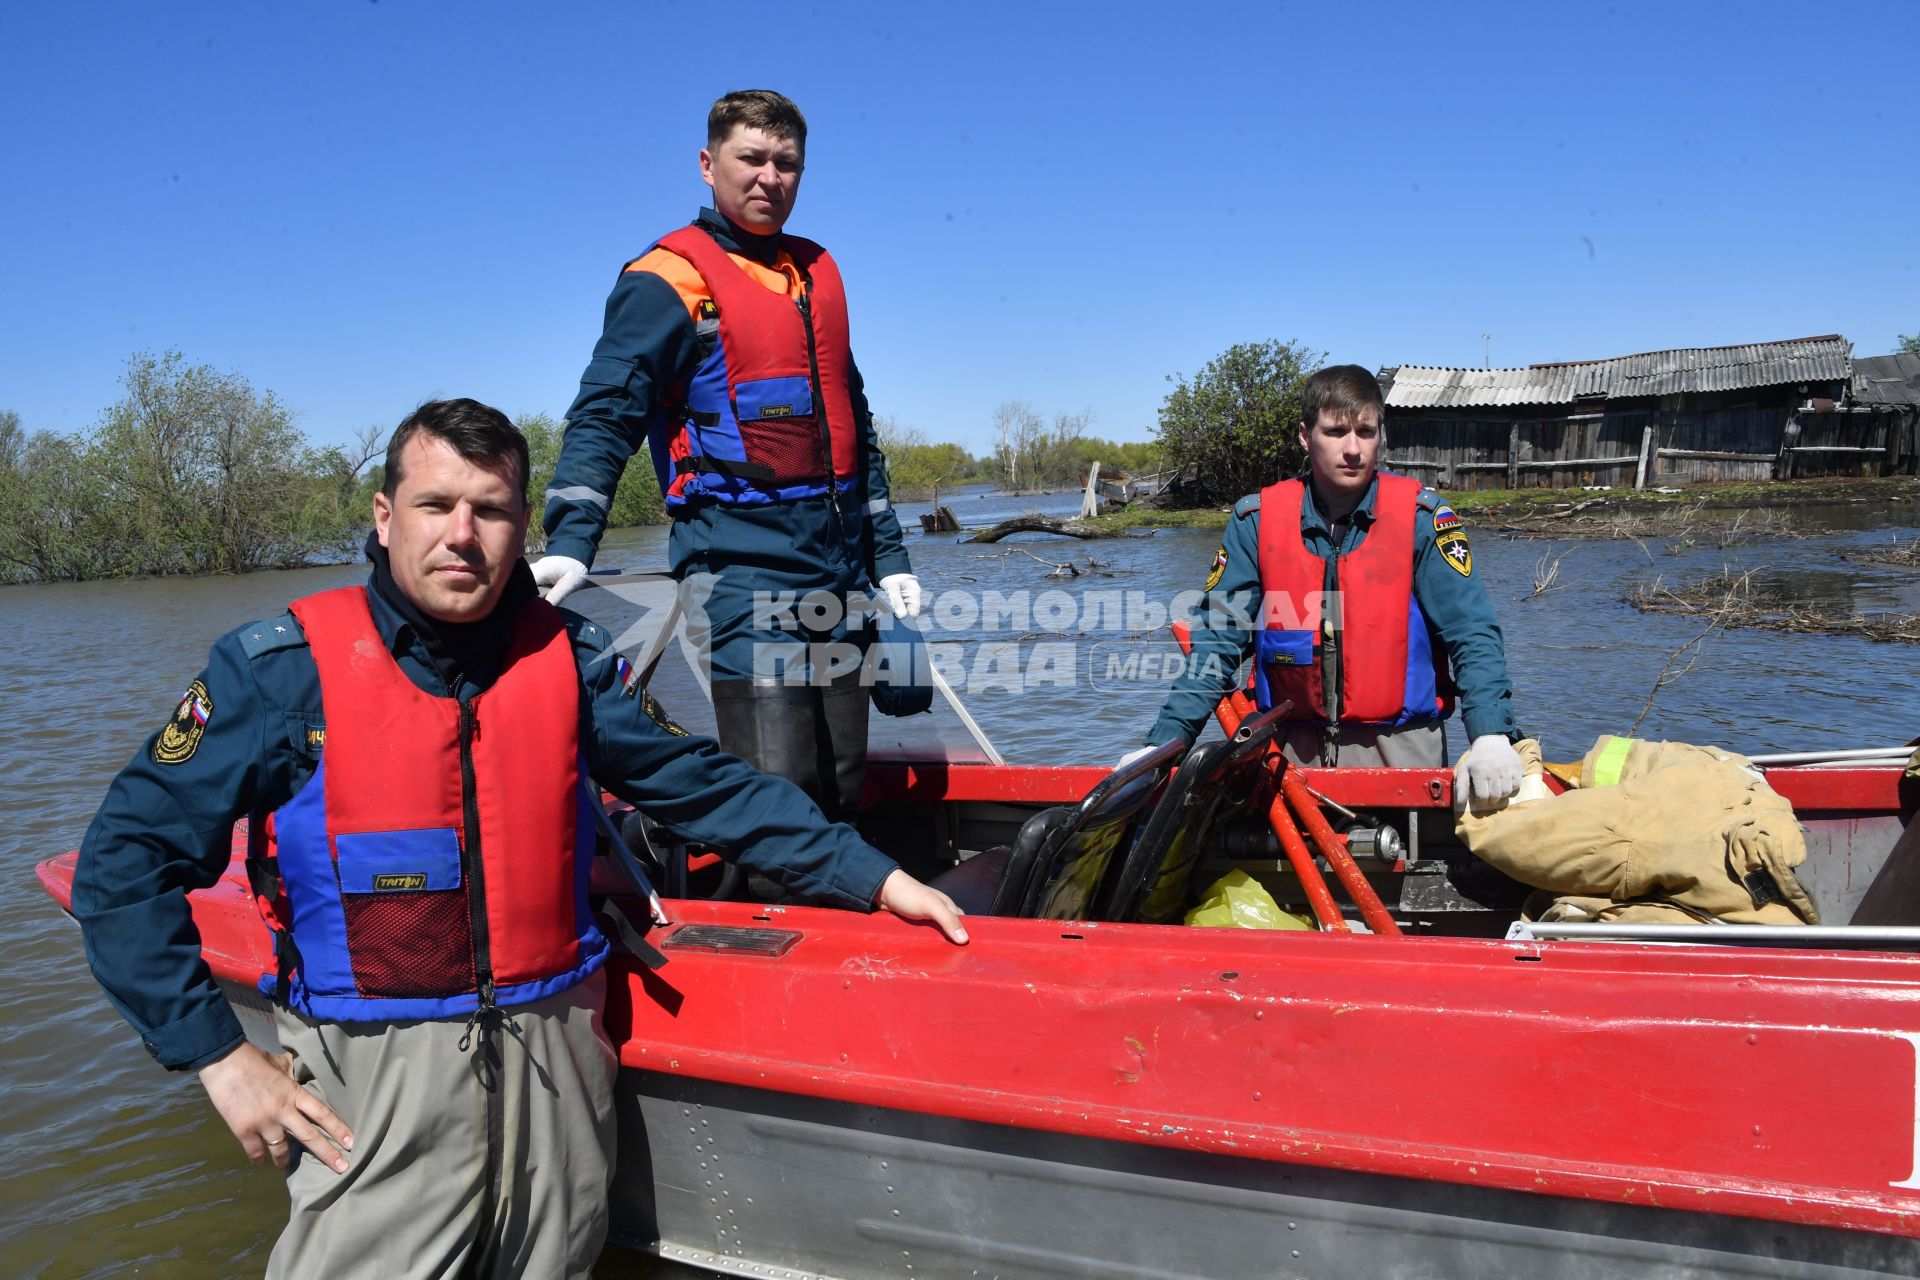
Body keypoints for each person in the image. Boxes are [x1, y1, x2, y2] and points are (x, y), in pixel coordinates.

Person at [72, 399, 965, 1279]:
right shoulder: (277, 673)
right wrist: (219, 1057)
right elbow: (121, 868)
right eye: (435, 505)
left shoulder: (572, 660)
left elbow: (701, 785)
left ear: (521, 527)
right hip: (373, 1089)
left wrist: (873, 876)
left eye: (490, 510)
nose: (462, 534)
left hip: (559, 1073)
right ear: (385, 519)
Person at [530, 89, 919, 823]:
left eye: (787, 163)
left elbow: (855, 428)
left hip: (837, 569)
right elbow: (606, 411)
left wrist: (890, 555)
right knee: (782, 796)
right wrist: (573, 538)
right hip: (741, 572)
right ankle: (775, 922)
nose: (770, 177)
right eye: (752, 158)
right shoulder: (667, 278)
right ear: (708, 165)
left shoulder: (816, 276)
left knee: (842, 784)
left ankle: (849, 931)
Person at [1121, 365, 1524, 801]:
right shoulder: (1255, 522)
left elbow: (1472, 632)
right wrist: (1164, 743)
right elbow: (1217, 644)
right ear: (1304, 435)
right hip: (1287, 756)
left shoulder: (1423, 519)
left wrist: (1490, 733)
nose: (1353, 449)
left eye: (1366, 432)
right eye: (1335, 432)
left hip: (1403, 750)